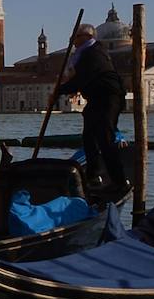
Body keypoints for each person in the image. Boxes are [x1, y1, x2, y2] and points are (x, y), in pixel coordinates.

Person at [49, 23, 128, 200]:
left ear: (85, 37)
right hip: (97, 99)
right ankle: (93, 176)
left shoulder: (93, 53)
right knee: (89, 138)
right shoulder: (86, 53)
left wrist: (58, 91)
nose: (72, 41)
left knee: (105, 139)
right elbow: (81, 79)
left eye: (75, 37)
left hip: (108, 98)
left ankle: (119, 182)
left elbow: (82, 79)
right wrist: (64, 89)